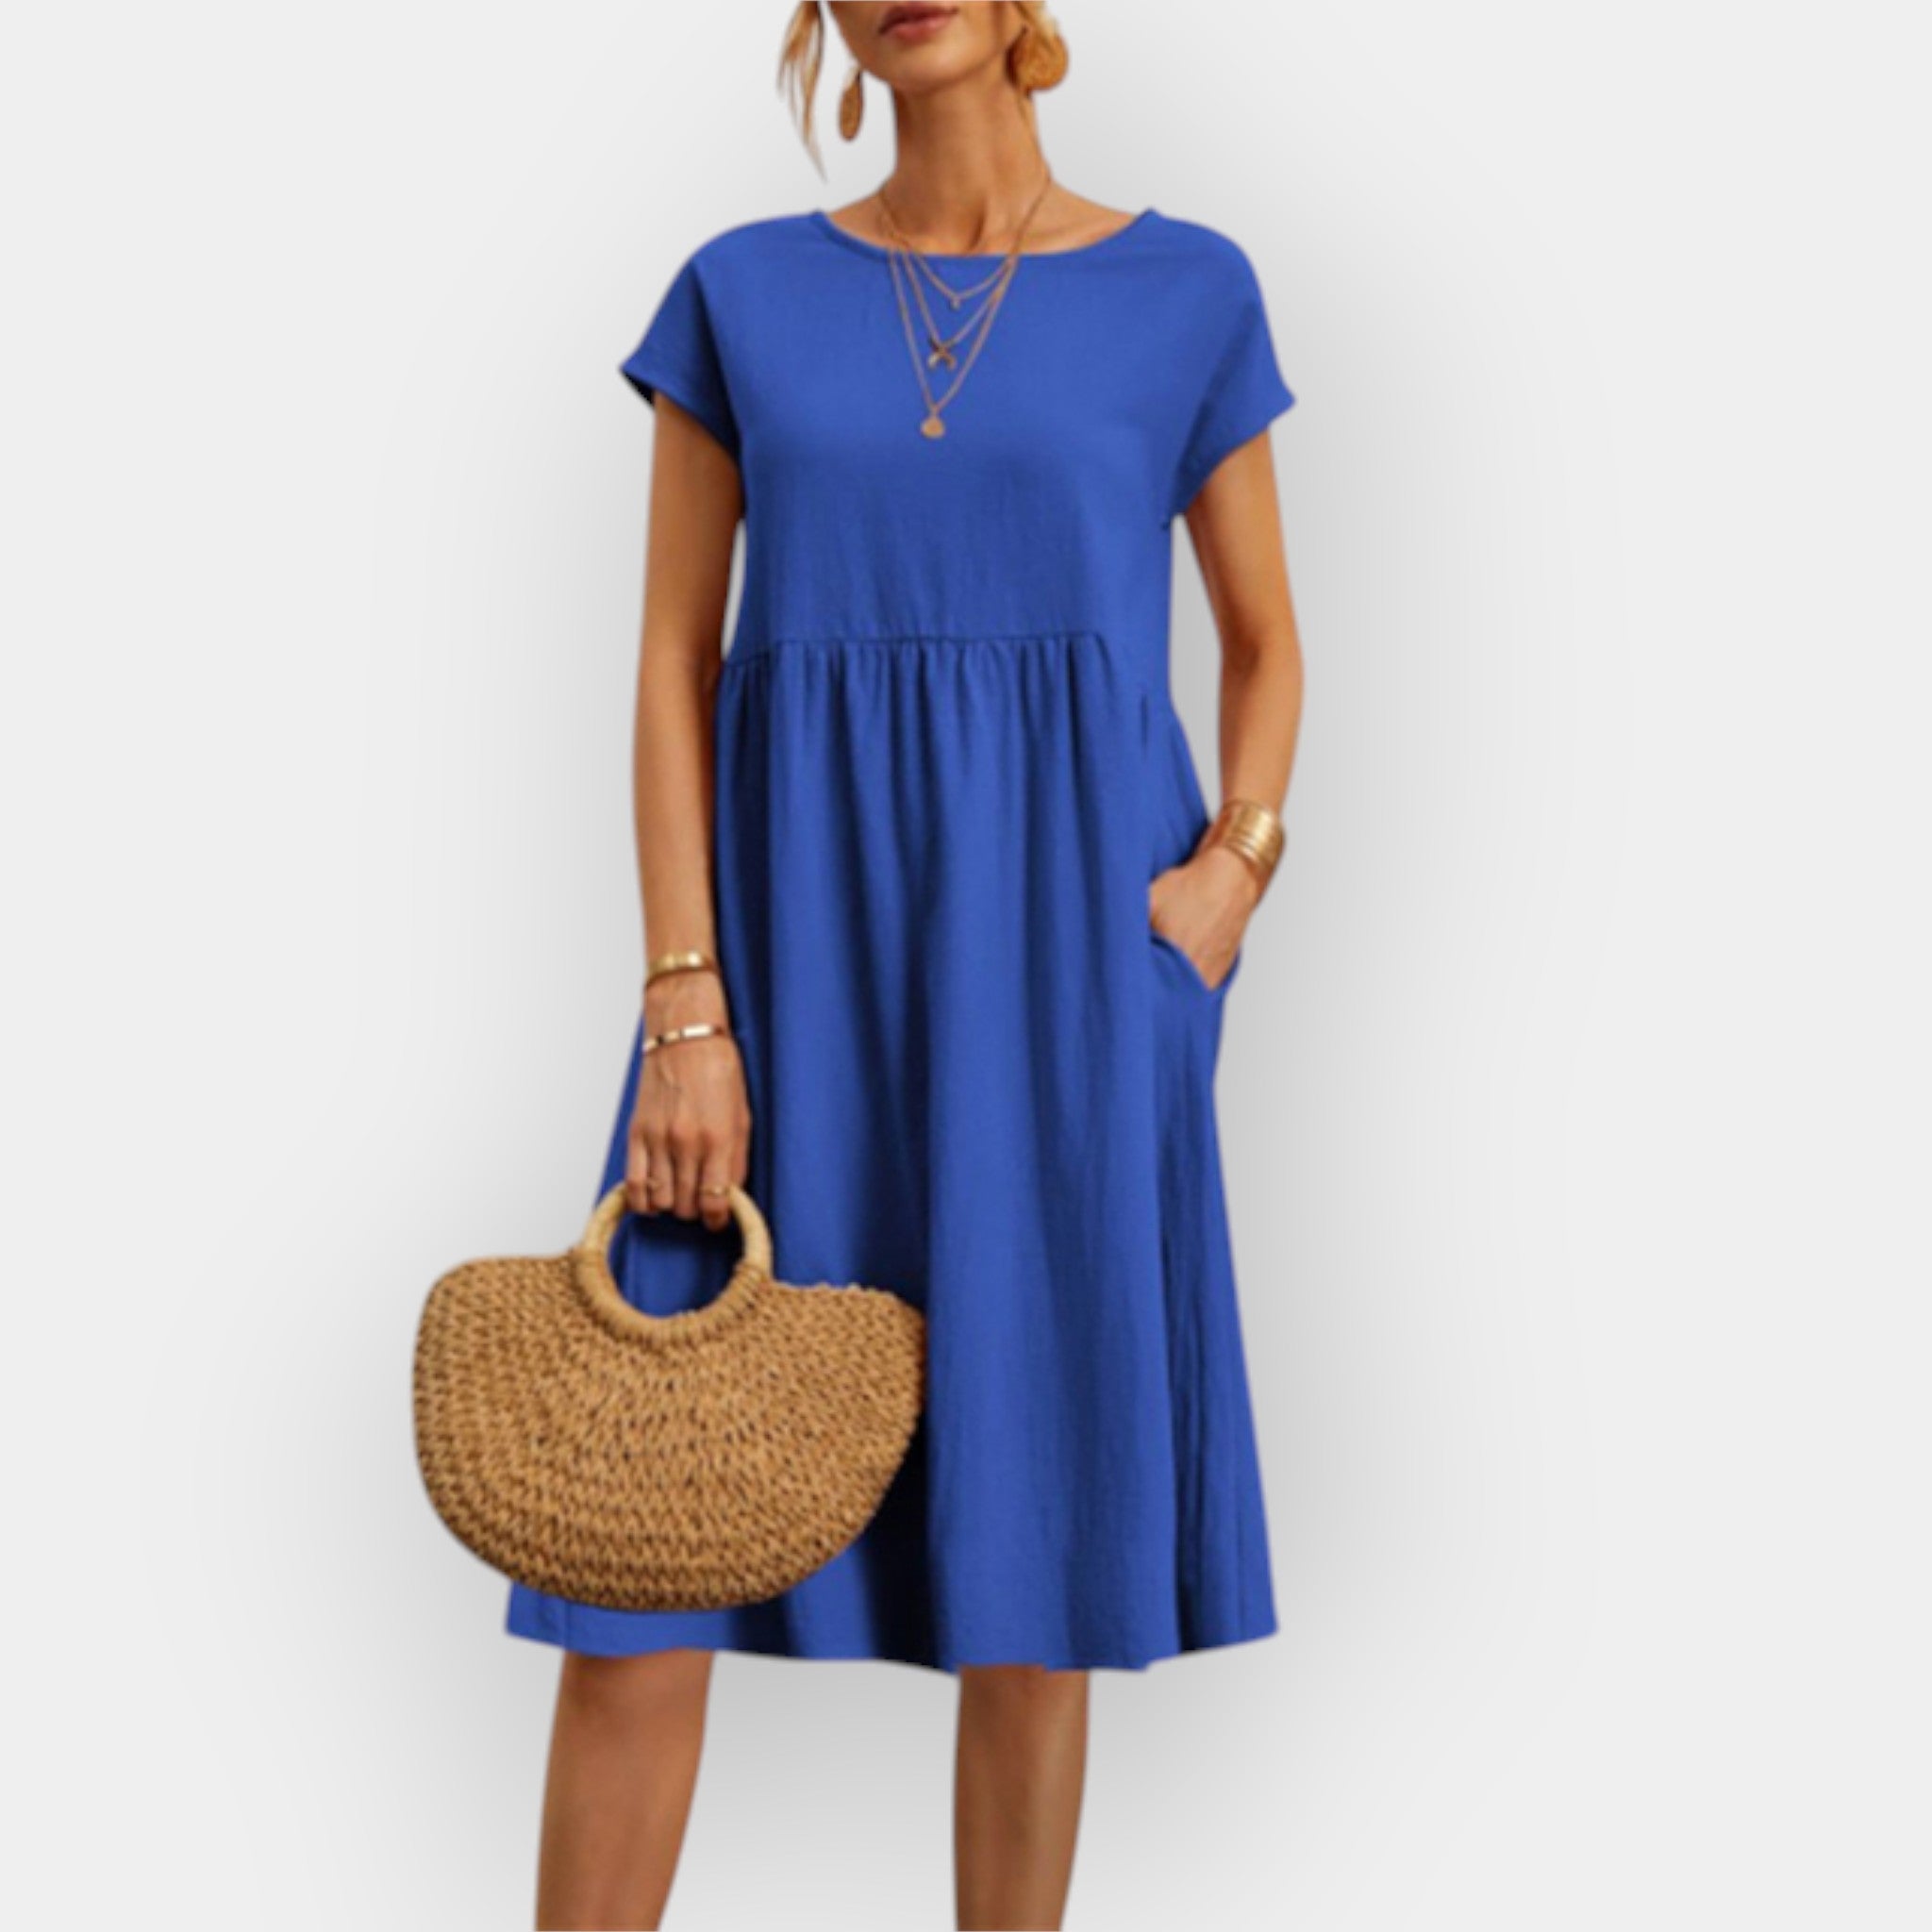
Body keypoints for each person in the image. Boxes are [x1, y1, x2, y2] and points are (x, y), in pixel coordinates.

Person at [513, 5, 1307, 1925]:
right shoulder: (740, 293)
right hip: (778, 973)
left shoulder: (1190, 291)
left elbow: (1266, 643)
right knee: (639, 1550)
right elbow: (670, 663)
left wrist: (1229, 877)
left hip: (1067, 990)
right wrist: (684, 1002)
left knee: (1032, 1567)